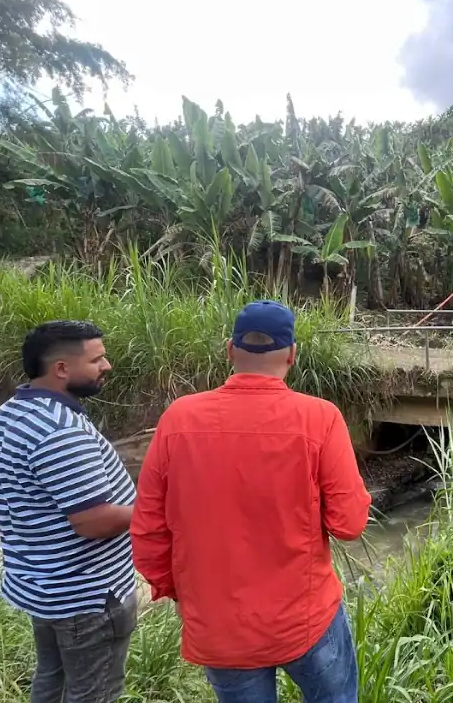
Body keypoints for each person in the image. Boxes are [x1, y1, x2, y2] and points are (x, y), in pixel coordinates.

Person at [130, 300, 372, 703]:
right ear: (292, 354)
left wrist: (184, 592)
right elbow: (349, 524)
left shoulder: (178, 419)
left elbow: (148, 529)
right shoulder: (320, 418)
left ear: (230, 350)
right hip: (305, 617)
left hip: (220, 626)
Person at [0, 321, 137, 703]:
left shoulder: (11, 411)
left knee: (52, 680)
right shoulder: (59, 429)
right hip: (88, 595)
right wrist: (157, 508)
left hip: (45, 586)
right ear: (62, 369)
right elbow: (93, 521)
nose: (107, 366)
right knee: (94, 693)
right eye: (97, 358)